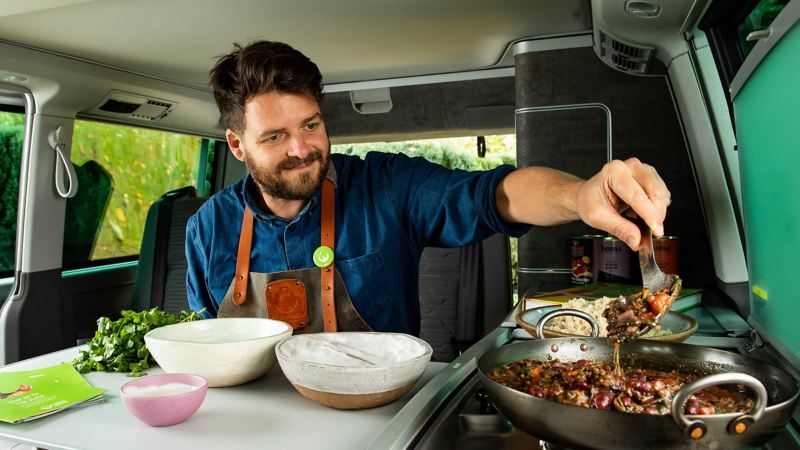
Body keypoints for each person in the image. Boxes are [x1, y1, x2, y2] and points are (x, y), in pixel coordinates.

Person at [185, 40, 670, 335]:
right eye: (275, 136)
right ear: (236, 144)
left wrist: (580, 195)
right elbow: (203, 348)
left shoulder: (386, 187)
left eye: (311, 125)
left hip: (384, 420)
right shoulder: (207, 229)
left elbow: (493, 195)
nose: (302, 148)